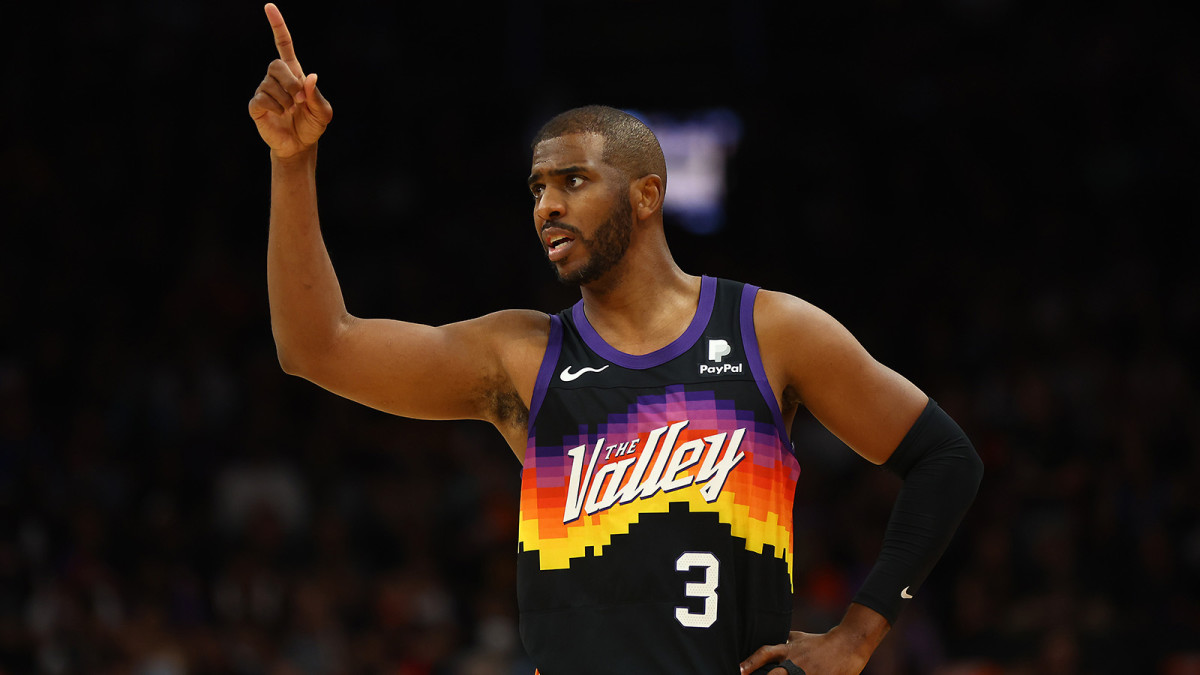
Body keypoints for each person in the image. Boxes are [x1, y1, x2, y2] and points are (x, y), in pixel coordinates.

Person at [247, 4, 984, 674]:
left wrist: (858, 633)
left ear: (646, 195)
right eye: (537, 188)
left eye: (572, 180)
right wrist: (292, 161)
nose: (548, 206)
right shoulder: (520, 355)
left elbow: (946, 459)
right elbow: (317, 346)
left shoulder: (769, 330)